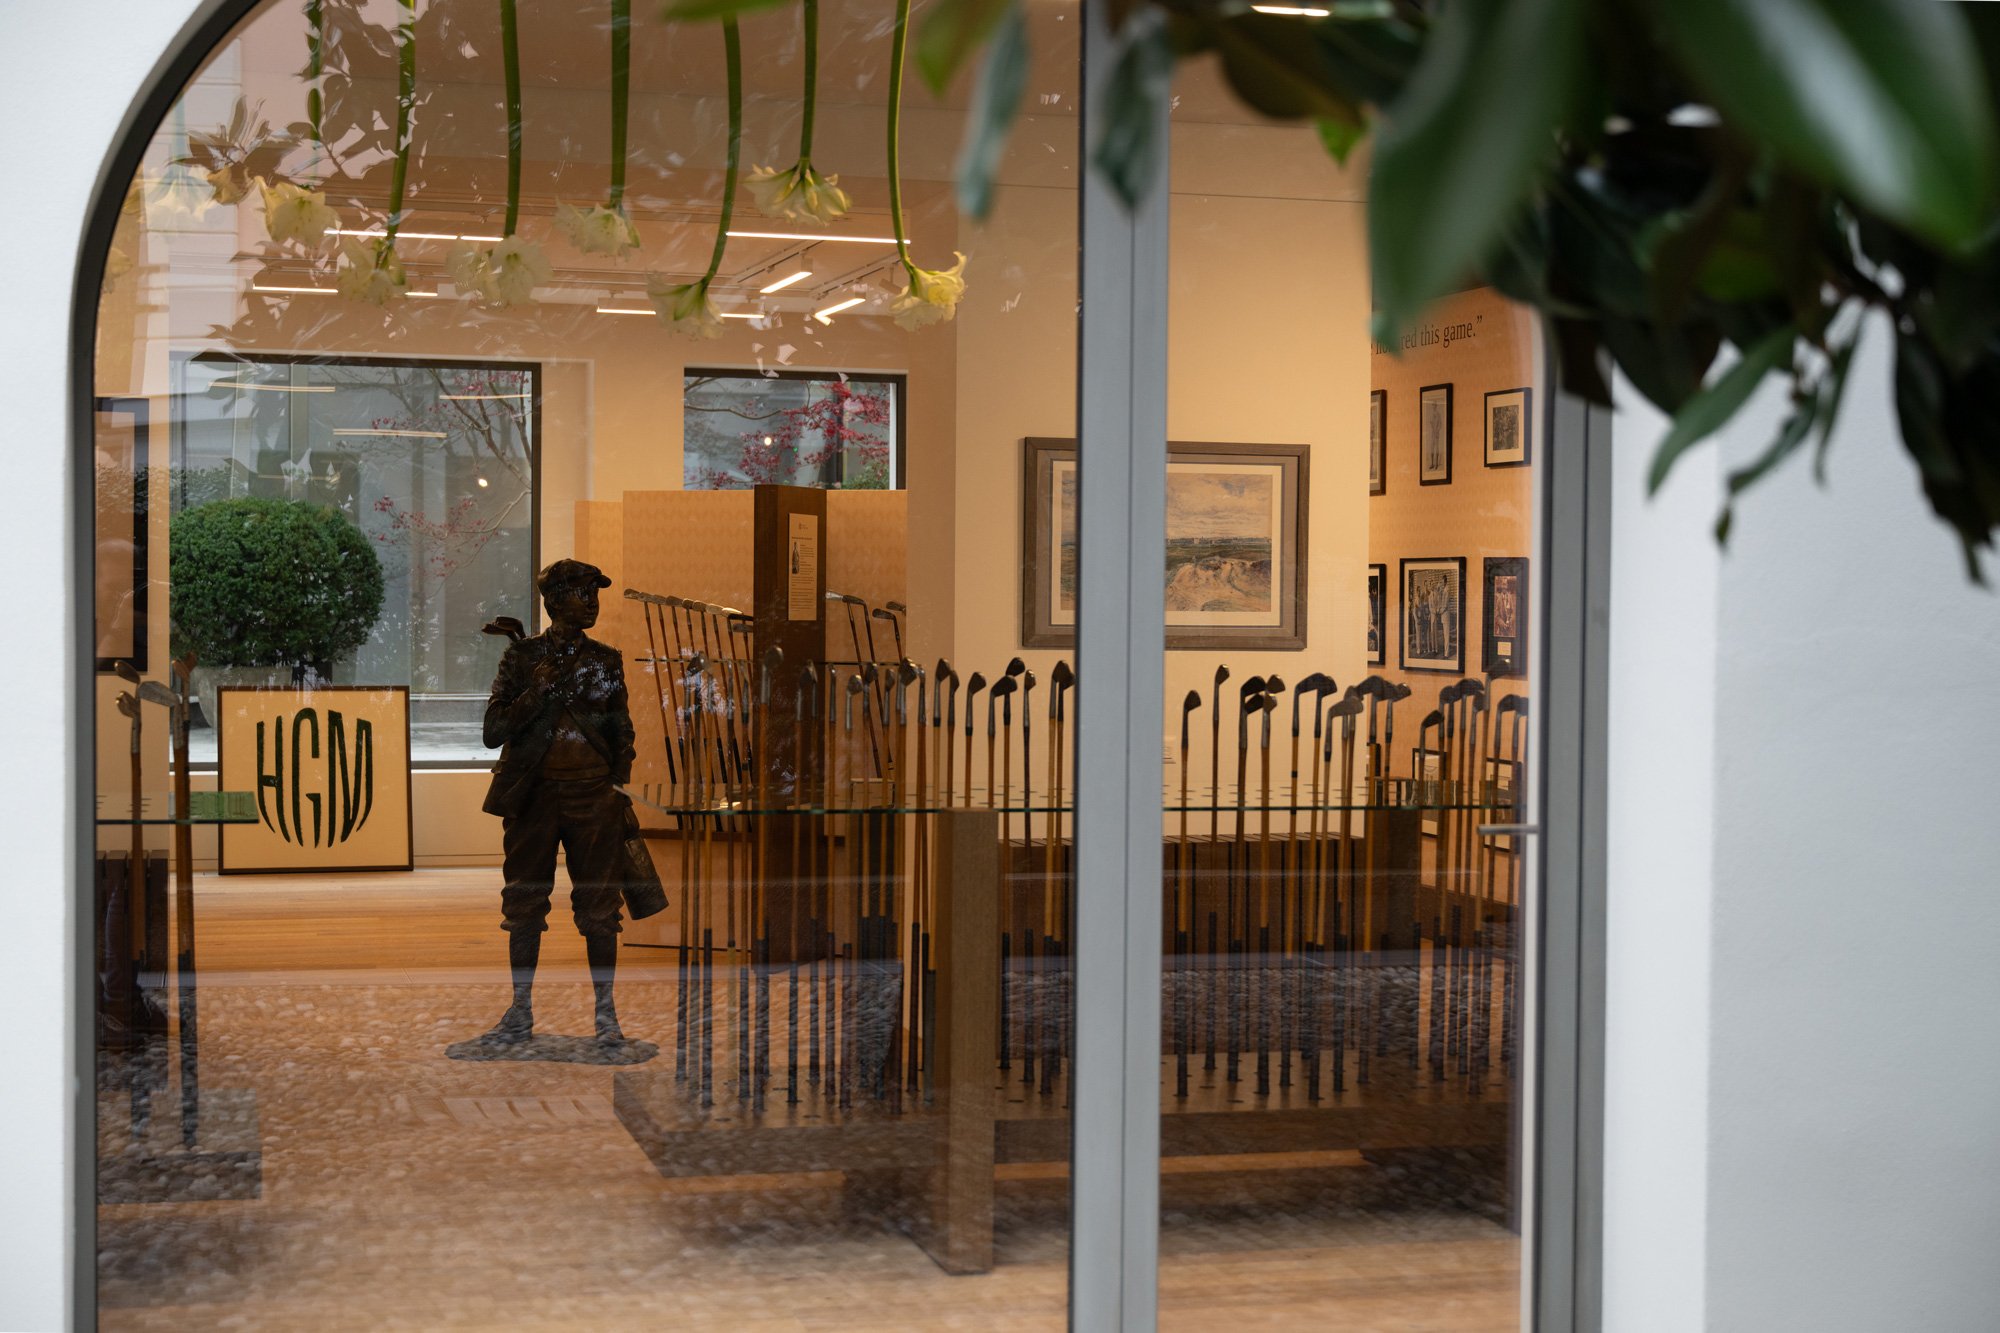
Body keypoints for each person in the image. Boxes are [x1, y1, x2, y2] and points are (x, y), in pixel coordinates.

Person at [479, 558, 637, 1045]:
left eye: (595, 592)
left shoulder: (607, 659)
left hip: (593, 796)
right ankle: (520, 1010)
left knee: (600, 908)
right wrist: (536, 691)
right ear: (552, 601)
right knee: (525, 901)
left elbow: (620, 729)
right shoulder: (522, 659)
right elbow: (493, 731)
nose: (591, 601)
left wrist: (616, 784)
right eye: (580, 592)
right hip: (535, 796)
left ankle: (606, 1017)